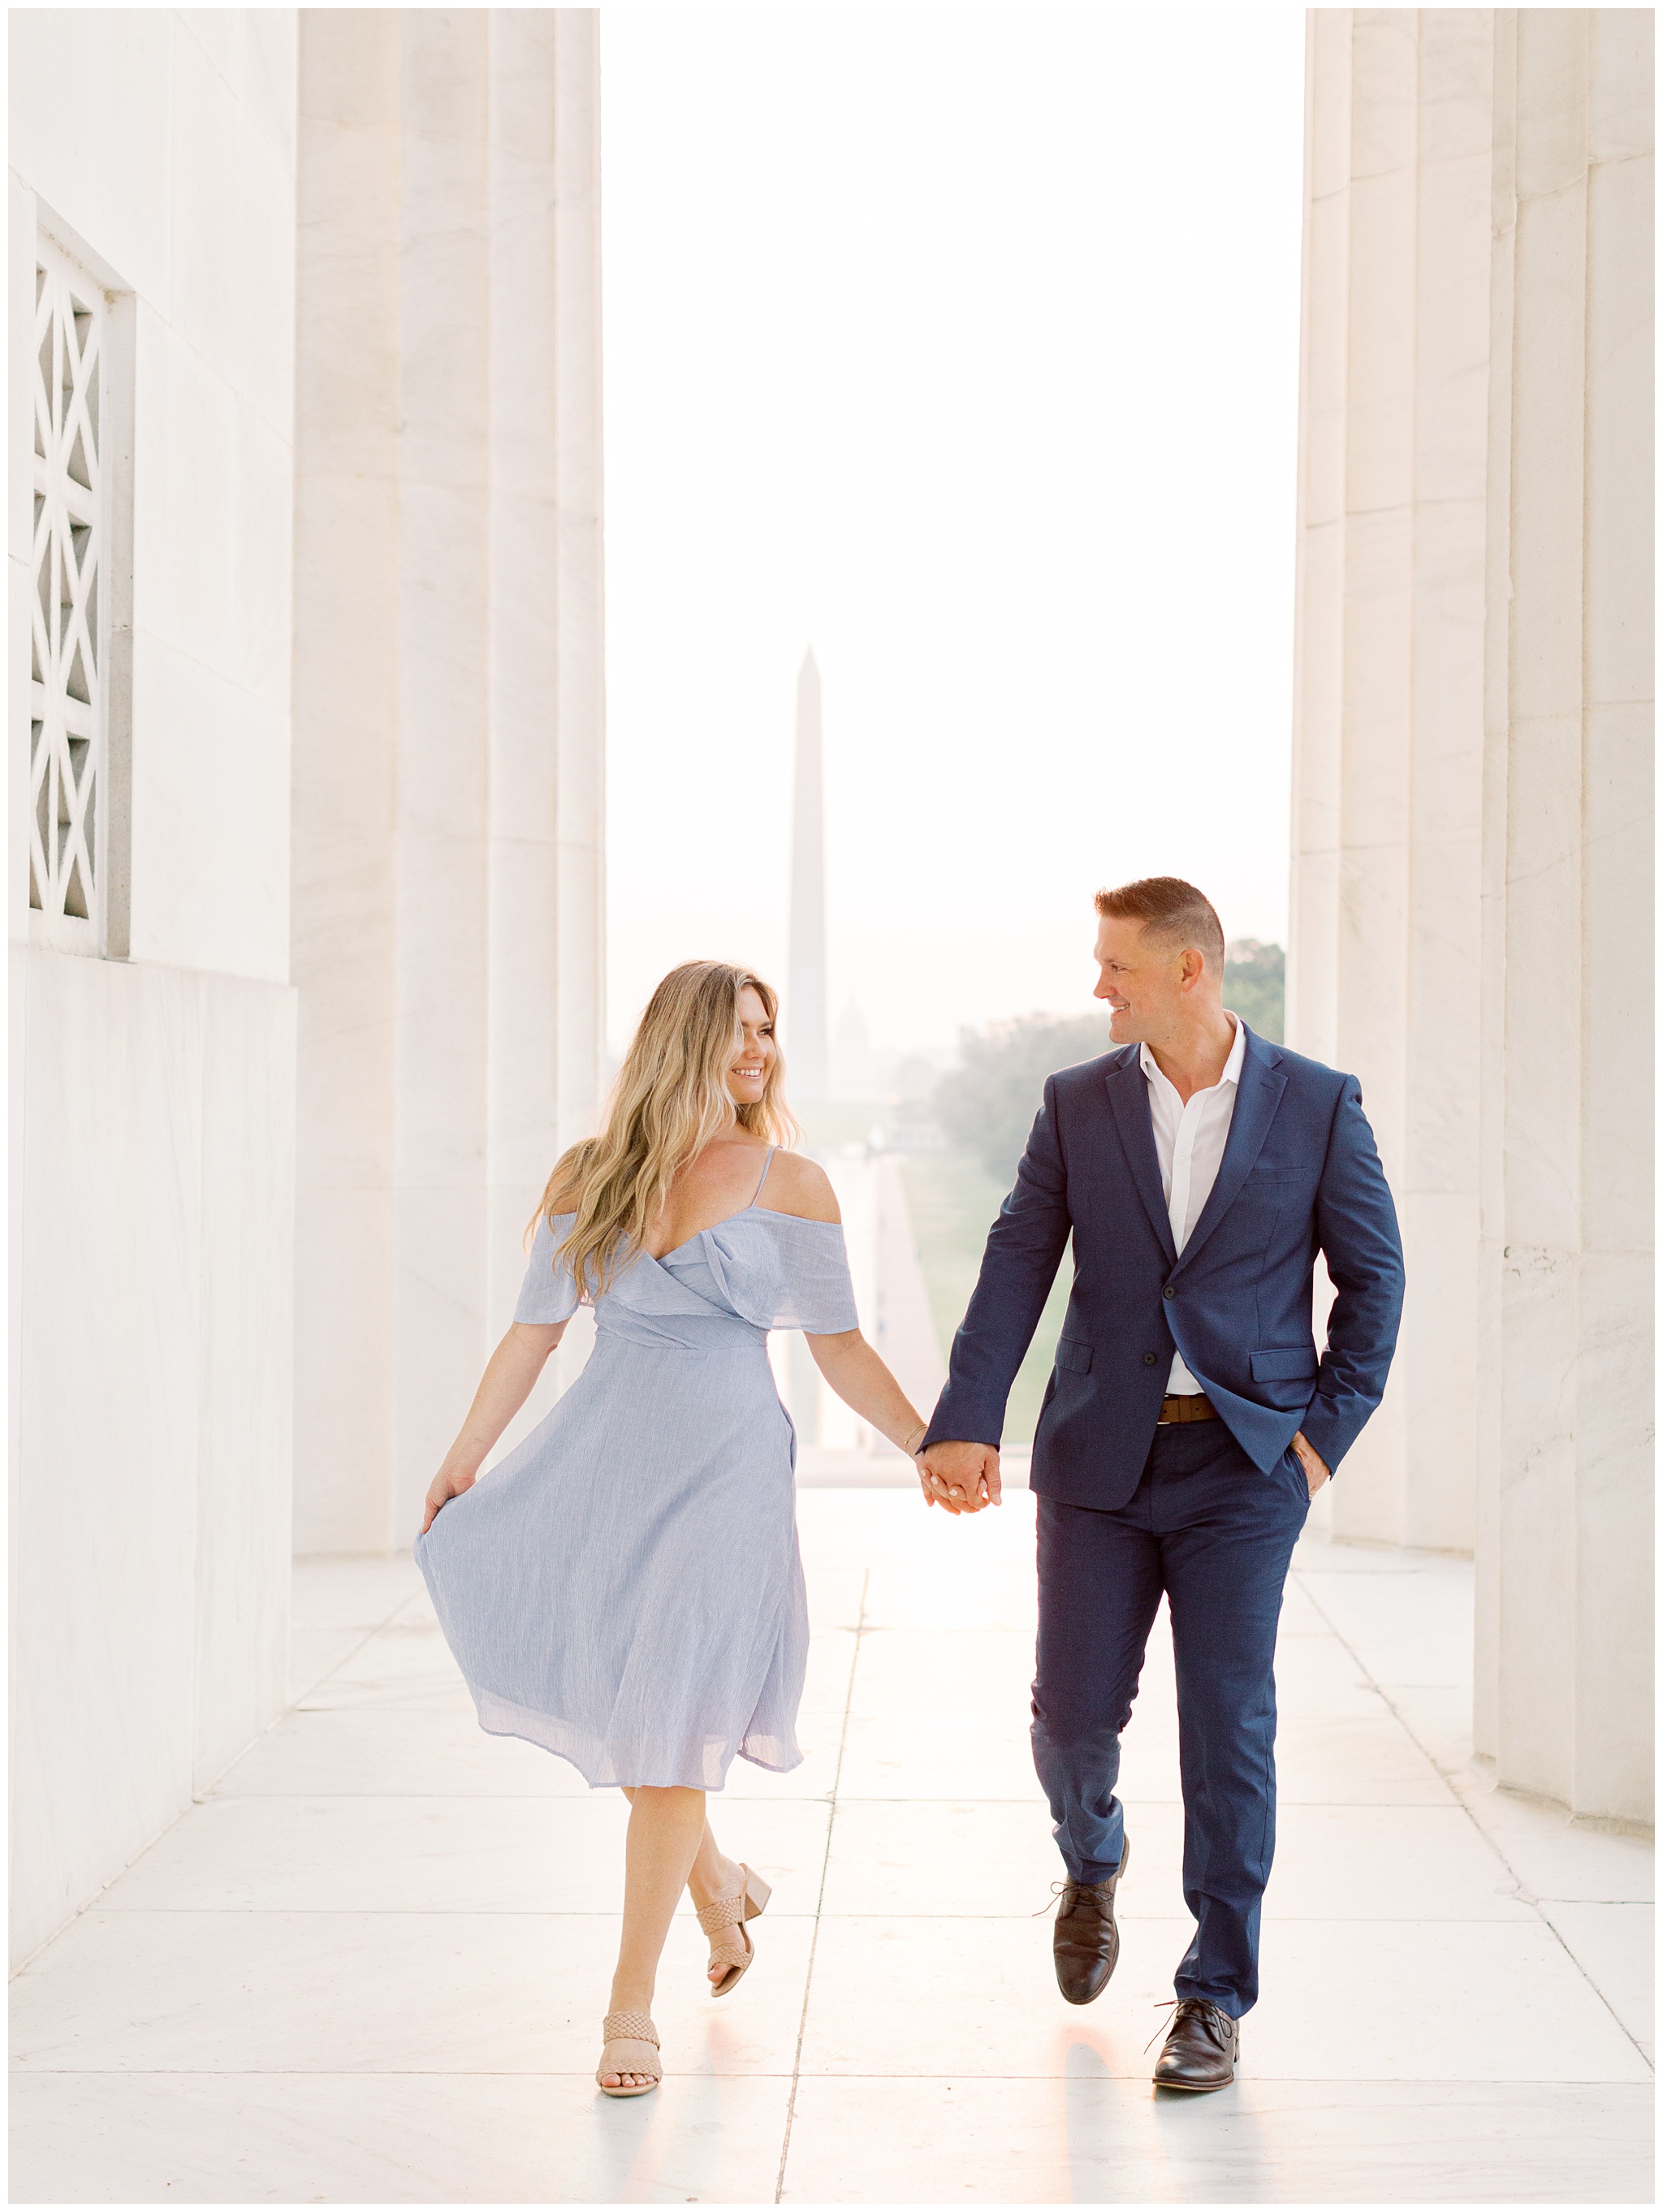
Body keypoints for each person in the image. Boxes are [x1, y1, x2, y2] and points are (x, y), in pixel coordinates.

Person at [919, 877, 1403, 2092]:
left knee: (1228, 1728)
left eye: (1116, 967)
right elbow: (1018, 1256)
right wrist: (966, 1420)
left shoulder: (1316, 1105)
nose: (1098, 987)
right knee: (1072, 1717)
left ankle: (1214, 1994)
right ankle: (1093, 1856)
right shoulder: (1077, 1103)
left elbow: (1376, 1285)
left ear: (1190, 969)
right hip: (1096, 1459)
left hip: (1245, 1468)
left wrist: (1316, 1442)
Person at [416, 961, 929, 2098]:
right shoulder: (587, 1176)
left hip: (729, 1473)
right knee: (644, 1707)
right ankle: (725, 1883)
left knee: (674, 1714)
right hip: (608, 1463)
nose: (760, 1051)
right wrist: (464, 1463)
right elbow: (532, 1335)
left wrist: (928, 1443)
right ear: (679, 1040)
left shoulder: (796, 1184)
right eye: (740, 1030)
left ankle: (628, 2009)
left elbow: (839, 1346)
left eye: (769, 1032)